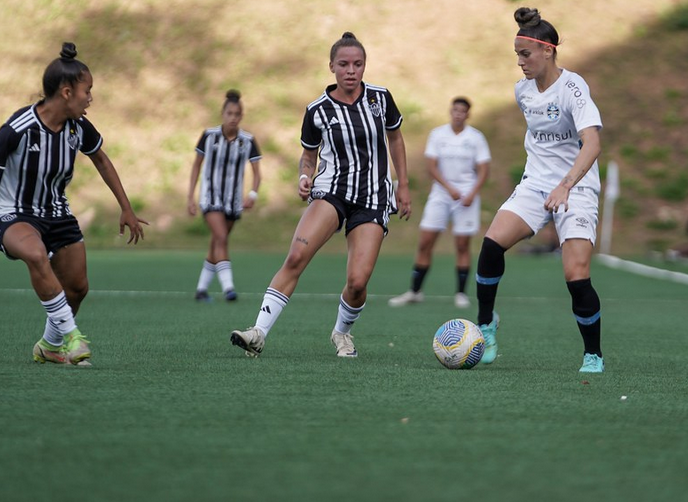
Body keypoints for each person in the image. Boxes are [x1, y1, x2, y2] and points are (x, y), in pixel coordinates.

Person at [230, 32, 411, 359]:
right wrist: (304, 176)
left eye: (357, 64)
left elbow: (395, 138)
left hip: (373, 198)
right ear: (331, 67)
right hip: (331, 191)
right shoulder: (317, 110)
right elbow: (309, 155)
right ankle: (258, 332)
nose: (351, 70)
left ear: (364, 65)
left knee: (357, 282)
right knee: (296, 257)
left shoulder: (380, 98)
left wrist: (404, 185)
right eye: (343, 64)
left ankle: (342, 333)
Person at [474, 7, 605, 374]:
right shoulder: (522, 91)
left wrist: (565, 185)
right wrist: (547, 183)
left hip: (576, 186)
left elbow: (592, 144)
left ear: (548, 50)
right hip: (536, 183)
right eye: (517, 55)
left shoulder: (573, 87)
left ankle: (593, 354)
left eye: (525, 54)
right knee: (492, 243)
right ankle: (486, 324)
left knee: (576, 275)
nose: (520, 62)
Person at [0, 43, 147, 366]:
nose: (90, 98)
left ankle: (50, 346)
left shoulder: (78, 127)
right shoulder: (17, 130)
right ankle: (72, 337)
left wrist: (126, 208)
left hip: (57, 213)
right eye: (87, 91)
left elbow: (102, 160)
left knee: (78, 288)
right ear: (66, 93)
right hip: (15, 213)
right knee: (36, 254)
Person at [389, 97, 490, 309]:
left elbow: (483, 170)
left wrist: (472, 193)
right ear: (450, 111)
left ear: (468, 114)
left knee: (462, 244)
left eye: (462, 111)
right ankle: (415, 291)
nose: (458, 114)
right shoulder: (438, 134)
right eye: (455, 110)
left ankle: (460, 293)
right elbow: (431, 166)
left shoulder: (476, 137)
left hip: (466, 196)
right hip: (441, 194)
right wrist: (448, 188)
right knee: (425, 241)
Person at [187, 90, 262, 302]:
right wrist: (190, 197)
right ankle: (228, 288)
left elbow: (257, 173)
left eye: (237, 114)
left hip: (233, 201)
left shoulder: (247, 140)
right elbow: (196, 166)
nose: (233, 118)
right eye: (229, 113)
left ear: (241, 116)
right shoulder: (209, 136)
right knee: (221, 237)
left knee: (217, 242)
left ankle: (201, 289)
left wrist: (253, 194)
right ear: (223, 114)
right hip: (210, 198)